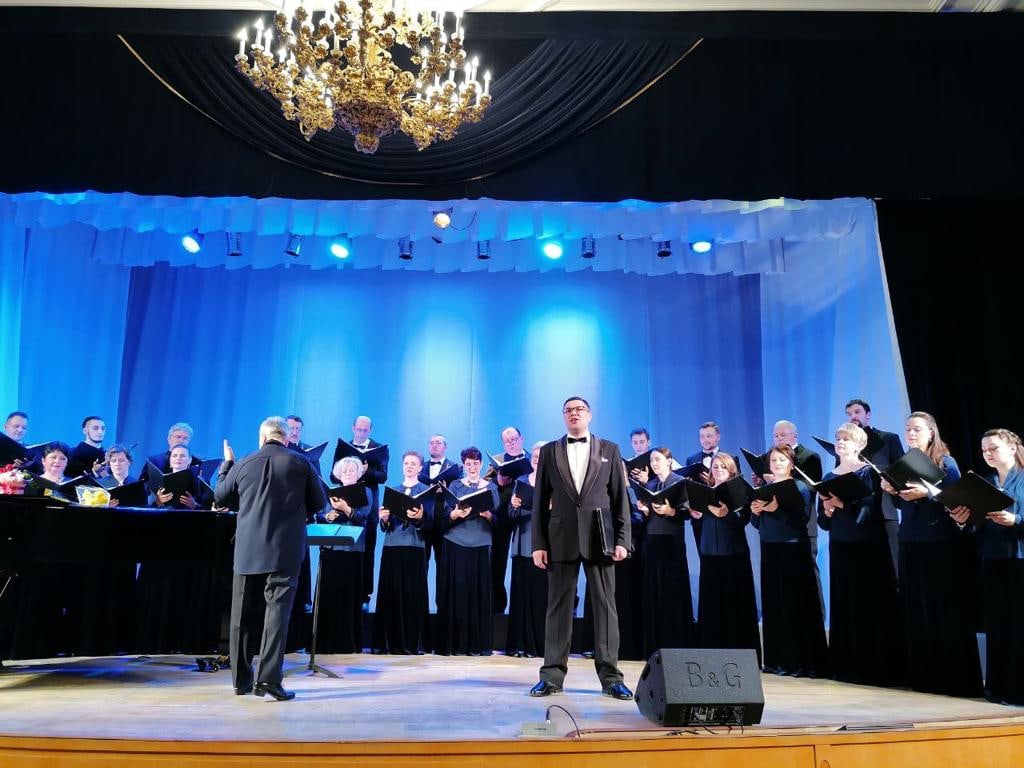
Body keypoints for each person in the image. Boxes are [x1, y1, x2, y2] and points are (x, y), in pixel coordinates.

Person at [215, 416, 325, 700]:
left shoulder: (244, 463)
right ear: (286, 438)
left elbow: (221, 497)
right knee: (277, 614)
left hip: (248, 548)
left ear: (262, 437)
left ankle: (241, 681)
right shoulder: (302, 462)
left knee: (241, 616)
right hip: (285, 548)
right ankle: (268, 680)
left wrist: (227, 464)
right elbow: (319, 502)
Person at [529, 396, 633, 700]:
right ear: (564, 416)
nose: (574, 414)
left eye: (579, 409)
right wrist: (538, 543)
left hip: (600, 536)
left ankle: (611, 678)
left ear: (589, 415)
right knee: (558, 608)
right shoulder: (550, 451)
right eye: (568, 410)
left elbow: (620, 499)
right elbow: (539, 502)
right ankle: (551, 676)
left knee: (605, 607)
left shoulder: (610, 449)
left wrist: (623, 540)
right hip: (560, 537)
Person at [879, 411, 981, 697]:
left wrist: (927, 492)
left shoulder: (945, 462)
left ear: (931, 433)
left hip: (939, 542)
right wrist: (891, 490)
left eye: (917, 429)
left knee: (942, 608)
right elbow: (903, 505)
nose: (911, 434)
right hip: (911, 542)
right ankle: (925, 676)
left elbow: (957, 501)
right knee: (917, 608)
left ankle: (953, 678)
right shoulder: (903, 463)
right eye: (908, 429)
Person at [817, 422, 903, 687]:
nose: (841, 443)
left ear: (859, 445)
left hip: (868, 547)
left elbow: (870, 512)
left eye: (846, 439)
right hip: (841, 545)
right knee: (846, 603)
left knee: (871, 604)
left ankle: (875, 666)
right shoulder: (829, 476)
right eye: (838, 438)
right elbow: (823, 522)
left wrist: (842, 504)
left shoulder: (869, 473)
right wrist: (828, 510)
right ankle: (848, 666)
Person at [951, 428, 1024, 705]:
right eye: (984, 450)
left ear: (1012, 447)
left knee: (1019, 624)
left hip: (1019, 558)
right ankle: (999, 687)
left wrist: (1016, 520)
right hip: (992, 559)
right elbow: (976, 528)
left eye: (993, 448)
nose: (988, 454)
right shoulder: (987, 482)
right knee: (999, 624)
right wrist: (963, 520)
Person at [750, 444, 828, 677]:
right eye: (773, 460)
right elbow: (757, 524)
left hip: (792, 549)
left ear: (791, 464)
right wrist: (756, 512)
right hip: (770, 548)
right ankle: (777, 661)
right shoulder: (764, 488)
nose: (777, 464)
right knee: (774, 605)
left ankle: (800, 661)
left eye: (782, 460)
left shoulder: (800, 487)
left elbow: (802, 519)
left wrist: (776, 508)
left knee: (795, 604)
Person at [137, 442, 220, 654]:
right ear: (170, 459)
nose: (179, 459)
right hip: (162, 547)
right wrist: (157, 503)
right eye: (175, 456)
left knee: (183, 592)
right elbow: (145, 514)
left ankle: (182, 642)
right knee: (160, 592)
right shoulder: (158, 483)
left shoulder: (200, 484)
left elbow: (210, 514)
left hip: (188, 547)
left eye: (183, 456)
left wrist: (195, 506)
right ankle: (156, 642)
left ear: (190, 460)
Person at [696, 452, 761, 664]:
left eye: (723, 467)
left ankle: (739, 654)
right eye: (715, 467)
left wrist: (726, 515)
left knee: (735, 606)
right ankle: (712, 653)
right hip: (709, 555)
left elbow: (744, 519)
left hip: (733, 556)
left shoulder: (739, 489)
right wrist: (696, 515)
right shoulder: (705, 492)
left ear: (731, 469)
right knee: (712, 606)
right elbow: (700, 523)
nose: (718, 470)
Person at [435, 446, 499, 656]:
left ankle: (476, 644)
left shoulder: (490, 487)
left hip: (480, 543)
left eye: (475, 463)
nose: (472, 467)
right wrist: (454, 515)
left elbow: (497, 519)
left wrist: (488, 515)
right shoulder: (455, 485)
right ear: (464, 465)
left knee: (478, 595)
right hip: (456, 542)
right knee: (457, 594)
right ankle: (455, 644)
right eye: (468, 464)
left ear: (481, 464)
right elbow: (445, 514)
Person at [634, 447, 694, 659]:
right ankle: (654, 645)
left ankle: (674, 644)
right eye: (652, 460)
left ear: (669, 461)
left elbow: (687, 513)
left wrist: (671, 511)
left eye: (658, 459)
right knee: (653, 592)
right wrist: (644, 510)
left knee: (672, 593)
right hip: (652, 541)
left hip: (671, 542)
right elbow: (645, 516)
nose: (654, 463)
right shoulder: (650, 485)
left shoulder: (679, 481)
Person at [372, 450, 433, 654]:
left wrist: (421, 517)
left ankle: (413, 642)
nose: (409, 466)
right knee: (391, 593)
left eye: (413, 463)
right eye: (406, 463)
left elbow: (430, 523)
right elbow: (385, 525)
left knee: (412, 595)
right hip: (393, 546)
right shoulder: (393, 490)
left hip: (415, 546)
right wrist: (384, 518)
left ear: (420, 467)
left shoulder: (425, 490)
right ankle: (389, 642)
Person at [317, 456, 372, 654]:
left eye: (352, 470)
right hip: (331, 549)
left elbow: (362, 517)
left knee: (348, 597)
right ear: (339, 474)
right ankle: (325, 643)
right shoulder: (330, 492)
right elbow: (320, 515)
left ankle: (346, 643)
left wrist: (345, 509)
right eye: (345, 470)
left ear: (359, 473)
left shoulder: (365, 491)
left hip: (352, 549)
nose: (348, 473)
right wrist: (328, 516)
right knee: (328, 595)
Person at [844, 399, 905, 568]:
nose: (853, 417)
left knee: (894, 564)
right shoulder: (846, 444)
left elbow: (901, 471)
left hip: (885, 509)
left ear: (868, 414)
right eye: (849, 414)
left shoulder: (888, 438)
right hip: (858, 513)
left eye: (857, 412)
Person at [506, 441, 547, 658]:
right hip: (522, 542)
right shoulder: (521, 481)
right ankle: (519, 644)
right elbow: (510, 515)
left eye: (542, 456)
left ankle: (539, 646)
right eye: (535, 456)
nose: (537, 459)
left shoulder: (554, 481)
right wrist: (513, 505)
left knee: (541, 596)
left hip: (544, 544)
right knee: (520, 596)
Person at [348, 415, 389, 608]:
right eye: (359, 429)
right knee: (346, 549)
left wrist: (366, 471)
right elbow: (333, 475)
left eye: (365, 430)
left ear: (370, 430)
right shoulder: (345, 447)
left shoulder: (379, 449)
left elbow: (383, 476)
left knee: (368, 550)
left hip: (369, 506)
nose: (362, 433)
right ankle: (346, 592)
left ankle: (364, 596)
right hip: (347, 502)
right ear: (353, 428)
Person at [488, 426, 526, 615]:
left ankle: (522, 608)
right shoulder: (497, 460)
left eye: (513, 439)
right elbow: (486, 485)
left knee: (524, 561)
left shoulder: (532, 459)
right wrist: (498, 480)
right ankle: (497, 607)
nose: (510, 443)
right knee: (497, 562)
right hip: (501, 517)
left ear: (521, 439)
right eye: (507, 441)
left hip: (525, 516)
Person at [418, 433, 459, 569]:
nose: (434, 446)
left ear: (445, 447)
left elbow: (459, 493)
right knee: (421, 563)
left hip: (444, 520)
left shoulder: (455, 468)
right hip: (424, 519)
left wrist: (446, 491)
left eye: (438, 443)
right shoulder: (420, 467)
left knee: (443, 565)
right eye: (431, 443)